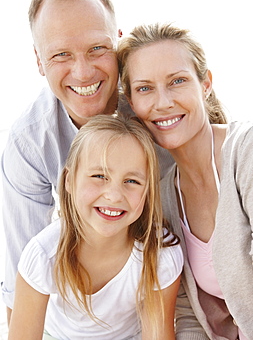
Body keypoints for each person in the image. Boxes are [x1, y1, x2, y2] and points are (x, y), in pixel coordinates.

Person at [1, 0, 173, 321]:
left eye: (97, 49)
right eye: (61, 54)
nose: (82, 72)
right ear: (38, 61)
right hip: (82, 312)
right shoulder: (30, 143)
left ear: (118, 43)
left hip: (168, 287)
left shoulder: (158, 105)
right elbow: (22, 278)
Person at [117, 23, 253, 339]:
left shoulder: (245, 152)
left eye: (177, 81)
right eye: (145, 88)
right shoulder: (164, 199)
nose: (162, 102)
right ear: (132, 104)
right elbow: (191, 317)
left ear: (205, 83)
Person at [8, 115, 183, 340]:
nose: (113, 195)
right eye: (99, 176)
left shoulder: (160, 255)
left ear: (148, 191)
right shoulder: (42, 256)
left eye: (132, 181)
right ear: (69, 181)